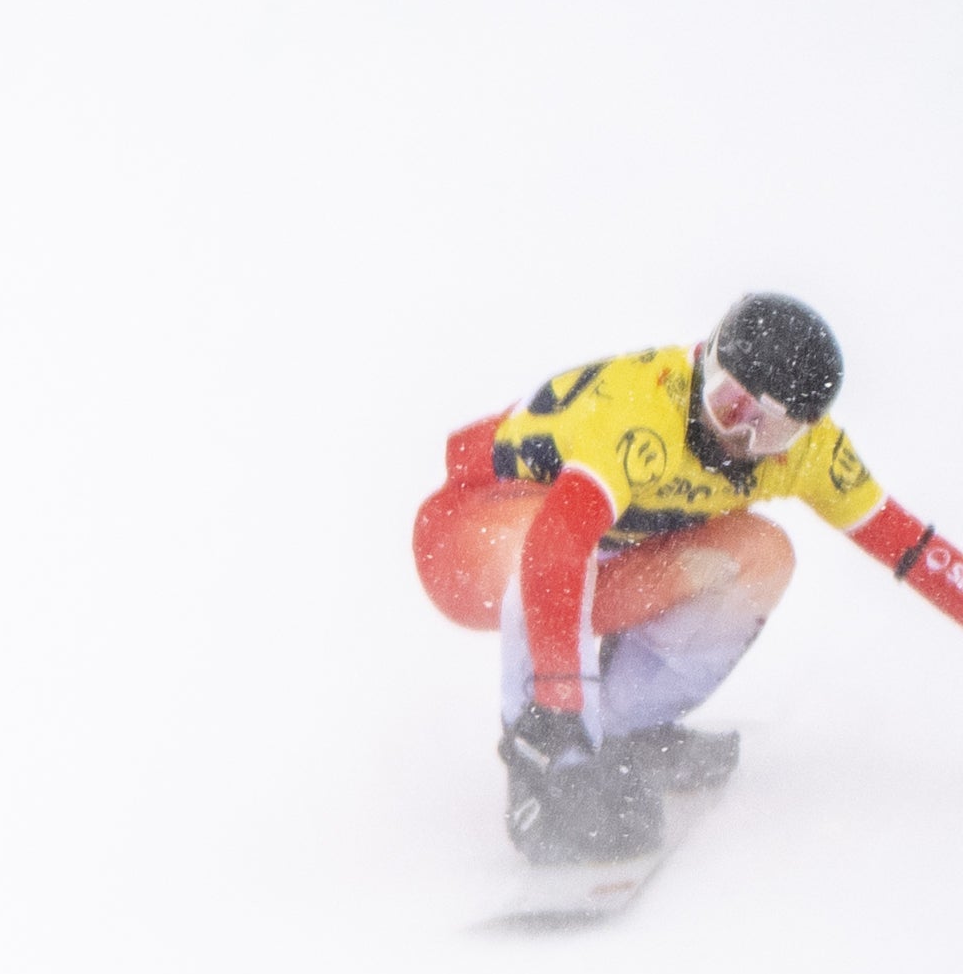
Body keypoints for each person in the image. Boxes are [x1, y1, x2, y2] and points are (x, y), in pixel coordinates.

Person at [412, 292, 963, 865]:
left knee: (761, 554)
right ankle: (551, 759)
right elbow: (558, 547)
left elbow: (913, 549)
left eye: (772, 430)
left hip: (600, 556)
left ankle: (623, 723)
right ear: (708, 363)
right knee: (548, 539)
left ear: (805, 430)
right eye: (731, 405)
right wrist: (559, 700)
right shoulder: (639, 412)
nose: (741, 438)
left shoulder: (811, 453)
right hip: (469, 537)